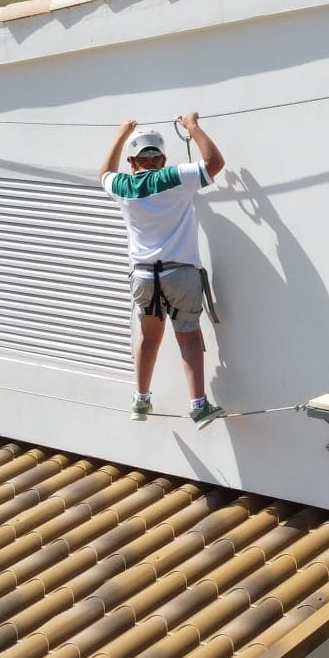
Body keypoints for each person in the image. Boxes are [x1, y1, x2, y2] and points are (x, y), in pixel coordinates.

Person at [101, 115, 226, 426]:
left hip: (143, 276)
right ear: (163, 158)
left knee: (149, 337)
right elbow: (214, 162)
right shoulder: (177, 177)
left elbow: (104, 172)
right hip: (179, 274)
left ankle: (140, 400)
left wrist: (121, 134)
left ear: (132, 162)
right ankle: (198, 405)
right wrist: (192, 127)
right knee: (188, 337)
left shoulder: (123, 186)